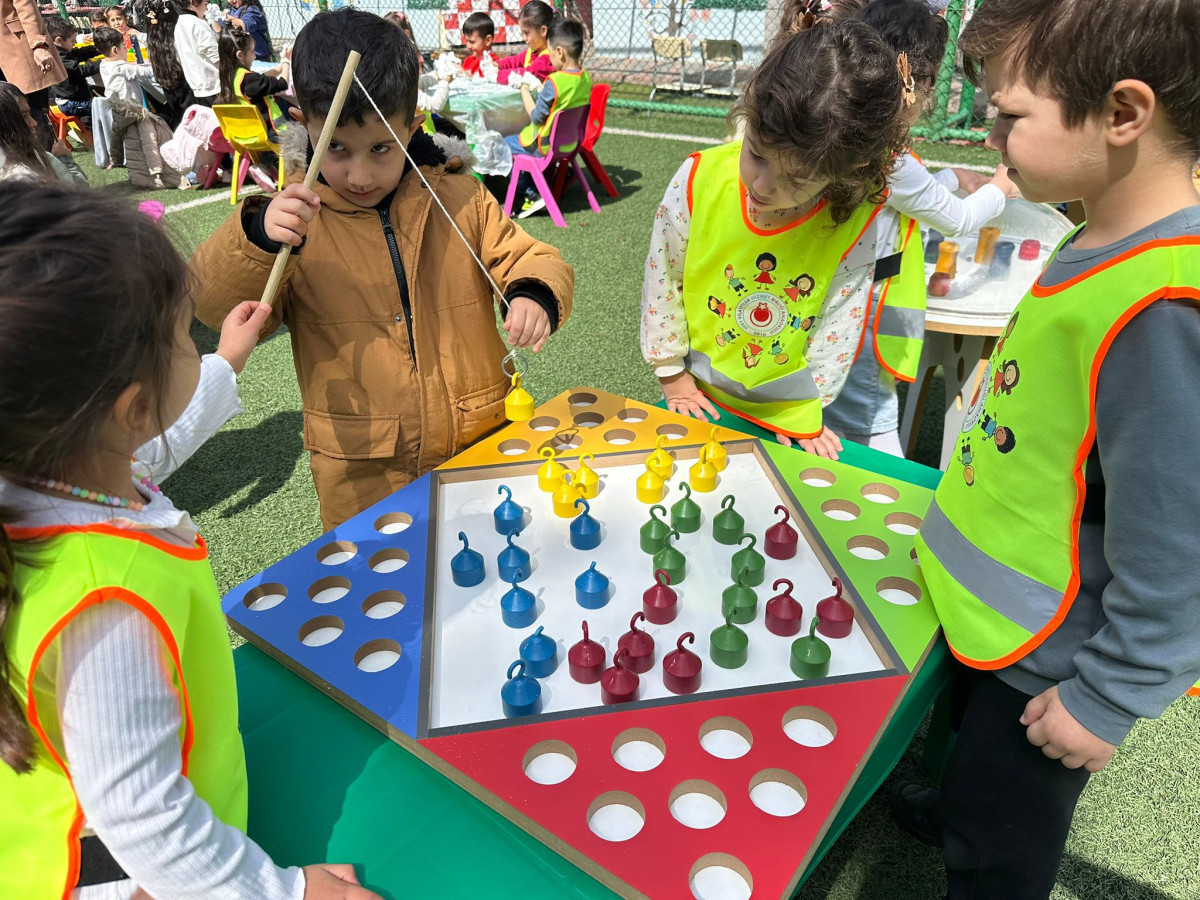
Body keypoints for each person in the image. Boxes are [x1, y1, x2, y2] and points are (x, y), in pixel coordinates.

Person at [0, 181, 384, 900]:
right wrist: (291, 892)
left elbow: (148, 452)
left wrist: (228, 360)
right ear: (131, 407)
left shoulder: (49, 476)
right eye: (185, 337)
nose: (194, 345)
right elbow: (146, 819)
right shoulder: (105, 600)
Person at [902, 1, 1200, 898]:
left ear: (1122, 114)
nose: (993, 136)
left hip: (1048, 667)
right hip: (996, 618)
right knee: (970, 773)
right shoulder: (1098, 227)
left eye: (1009, 114)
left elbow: (1180, 540)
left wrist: (1106, 697)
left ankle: (977, 842)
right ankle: (958, 805)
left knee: (1001, 852)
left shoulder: (1163, 310)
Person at [192, 8, 574, 531]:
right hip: (362, 466)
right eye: (340, 149)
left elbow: (530, 255)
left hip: (476, 437)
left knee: (484, 564)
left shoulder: (459, 196)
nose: (360, 173)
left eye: (380, 148)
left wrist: (533, 291)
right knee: (376, 588)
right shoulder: (292, 221)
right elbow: (214, 305)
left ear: (411, 126)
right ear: (305, 127)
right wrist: (256, 237)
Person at [640, 8, 913, 458]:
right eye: (757, 155)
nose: (762, 186)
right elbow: (664, 279)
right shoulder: (696, 181)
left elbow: (839, 319)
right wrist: (672, 376)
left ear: (848, 172)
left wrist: (808, 409)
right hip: (695, 394)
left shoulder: (855, 217)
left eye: (798, 179)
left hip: (785, 412)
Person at [822, 0, 1021, 456]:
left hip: (834, 291)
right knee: (869, 419)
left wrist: (952, 179)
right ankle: (890, 504)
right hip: (861, 305)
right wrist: (999, 186)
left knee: (837, 408)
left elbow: (891, 197)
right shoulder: (887, 154)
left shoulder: (852, 129)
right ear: (915, 81)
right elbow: (959, 220)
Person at [505, 17, 591, 217]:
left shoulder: (555, 81)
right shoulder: (585, 76)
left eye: (550, 52)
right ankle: (544, 182)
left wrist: (523, 89)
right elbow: (564, 100)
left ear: (560, 52)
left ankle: (532, 193)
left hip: (544, 144)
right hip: (569, 144)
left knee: (503, 144)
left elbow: (536, 117)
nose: (550, 58)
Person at [96, 25, 180, 188]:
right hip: (132, 112)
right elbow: (144, 72)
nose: (126, 51)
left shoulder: (104, 65)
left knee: (125, 139)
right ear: (115, 50)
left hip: (118, 109)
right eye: (124, 48)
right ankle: (155, 172)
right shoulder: (122, 68)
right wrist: (162, 65)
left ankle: (118, 162)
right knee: (146, 141)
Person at [0, 0, 68, 148]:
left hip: (17, 49)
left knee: (33, 116)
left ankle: (48, 163)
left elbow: (26, 6)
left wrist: (38, 44)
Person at [0, 82, 87, 183]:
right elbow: (77, 190)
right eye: (23, 117)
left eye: (29, 114)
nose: (34, 123)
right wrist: (65, 160)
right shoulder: (24, 178)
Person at [215, 29, 289, 140]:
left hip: (243, 135)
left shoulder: (229, 76)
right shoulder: (250, 80)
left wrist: (279, 68)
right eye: (252, 51)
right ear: (240, 55)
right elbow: (283, 84)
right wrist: (287, 61)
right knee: (301, 132)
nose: (254, 56)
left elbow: (261, 79)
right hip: (271, 133)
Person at [144, 0, 197, 130]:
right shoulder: (178, 37)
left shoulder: (153, 42)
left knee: (181, 122)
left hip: (170, 88)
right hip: (188, 87)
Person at [45, 14, 99, 129]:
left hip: (74, 98)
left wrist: (97, 49)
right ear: (58, 40)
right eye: (72, 41)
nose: (74, 43)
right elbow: (80, 70)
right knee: (103, 107)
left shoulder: (60, 51)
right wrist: (104, 64)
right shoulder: (58, 57)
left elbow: (77, 53)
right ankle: (94, 137)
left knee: (97, 96)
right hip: (72, 103)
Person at [495, 0, 555, 82]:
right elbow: (514, 61)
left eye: (526, 33)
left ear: (543, 31)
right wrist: (497, 64)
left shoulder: (549, 58)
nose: (523, 38)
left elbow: (528, 74)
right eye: (522, 33)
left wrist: (496, 75)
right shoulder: (532, 51)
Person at [174, 0, 219, 105]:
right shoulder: (197, 23)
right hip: (215, 86)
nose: (207, 8)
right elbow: (215, 56)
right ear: (193, 2)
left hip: (197, 88)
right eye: (205, 4)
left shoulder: (179, 23)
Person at [459, 11, 495, 78]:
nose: (468, 46)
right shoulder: (468, 61)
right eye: (467, 41)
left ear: (488, 40)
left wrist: (464, 74)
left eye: (472, 42)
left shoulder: (493, 63)